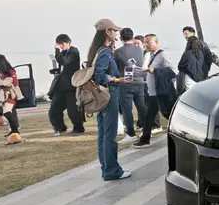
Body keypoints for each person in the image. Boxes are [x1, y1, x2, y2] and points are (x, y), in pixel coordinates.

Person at [88, 19, 131, 180]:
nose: (116, 34)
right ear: (107, 32)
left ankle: (106, 168)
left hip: (101, 95)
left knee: (103, 133)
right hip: (108, 93)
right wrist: (117, 79)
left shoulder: (97, 50)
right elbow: (99, 75)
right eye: (114, 31)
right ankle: (112, 170)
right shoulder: (104, 51)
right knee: (109, 134)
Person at [134, 34, 177, 148]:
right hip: (152, 92)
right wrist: (137, 72)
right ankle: (145, 139)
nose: (146, 44)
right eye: (145, 42)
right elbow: (147, 72)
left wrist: (155, 70)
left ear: (156, 42)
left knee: (169, 114)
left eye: (149, 42)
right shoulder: (150, 55)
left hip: (161, 92)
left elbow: (172, 71)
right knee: (149, 116)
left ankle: (182, 134)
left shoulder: (163, 55)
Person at [114, 27, 147, 144]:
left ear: (121, 38)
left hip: (126, 82)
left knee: (127, 110)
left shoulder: (118, 52)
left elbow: (114, 68)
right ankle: (147, 130)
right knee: (142, 107)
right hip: (140, 81)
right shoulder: (140, 50)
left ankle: (131, 134)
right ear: (133, 37)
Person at [49, 34, 85, 136]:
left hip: (71, 86)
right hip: (61, 86)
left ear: (68, 42)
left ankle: (78, 128)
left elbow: (64, 61)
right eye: (59, 44)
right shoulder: (63, 53)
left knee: (72, 110)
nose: (61, 46)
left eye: (62, 44)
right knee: (54, 109)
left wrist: (57, 51)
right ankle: (60, 127)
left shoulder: (74, 52)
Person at [0, 54, 23, 142]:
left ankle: (15, 130)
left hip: (10, 94)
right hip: (3, 95)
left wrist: (4, 83)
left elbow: (15, 82)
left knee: (7, 112)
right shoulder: (1, 71)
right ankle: (13, 129)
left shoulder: (10, 71)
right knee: (7, 112)